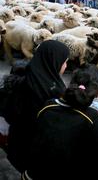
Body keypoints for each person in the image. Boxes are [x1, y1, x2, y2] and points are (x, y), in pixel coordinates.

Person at [22, 65, 98, 180]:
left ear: (71, 84)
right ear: (97, 93)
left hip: (31, 174)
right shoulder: (94, 119)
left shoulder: (49, 105)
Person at [3, 40, 69, 172]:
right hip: (35, 151)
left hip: (15, 141)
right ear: (54, 61)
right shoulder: (55, 91)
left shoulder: (21, 78)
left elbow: (8, 112)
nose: (66, 66)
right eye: (65, 61)